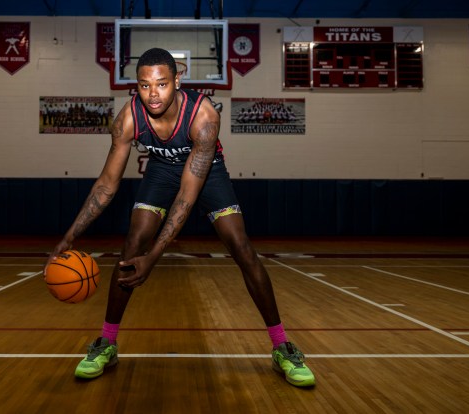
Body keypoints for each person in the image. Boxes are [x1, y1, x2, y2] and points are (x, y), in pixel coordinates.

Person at [45, 48, 315, 387]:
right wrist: (69, 237)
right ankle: (106, 342)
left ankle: (282, 346)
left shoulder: (203, 117)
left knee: (240, 245)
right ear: (136, 87)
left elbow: (187, 197)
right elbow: (106, 185)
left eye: (161, 84)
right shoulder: (128, 118)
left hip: (207, 171)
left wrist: (154, 259)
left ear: (177, 81)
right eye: (144, 86)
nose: (153, 94)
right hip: (160, 170)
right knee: (133, 243)